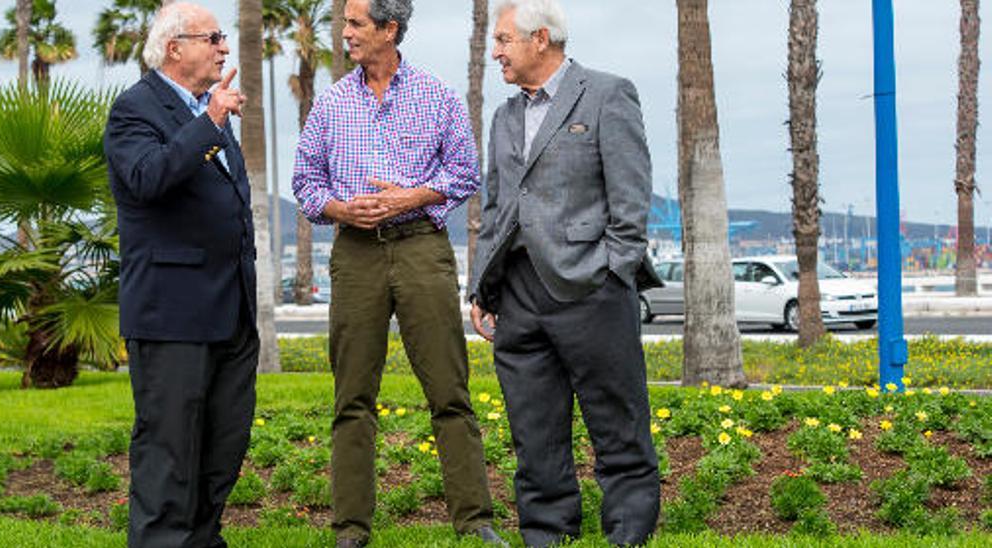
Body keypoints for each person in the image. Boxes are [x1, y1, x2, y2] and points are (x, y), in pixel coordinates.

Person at [291, 1, 506, 546]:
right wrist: (343, 210)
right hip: (355, 255)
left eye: (356, 24)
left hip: (421, 250)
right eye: (344, 24)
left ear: (390, 29)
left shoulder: (437, 95)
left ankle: (475, 522)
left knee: (449, 391)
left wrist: (410, 196)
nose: (345, 34)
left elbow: (463, 173)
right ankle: (350, 530)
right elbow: (305, 182)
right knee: (352, 396)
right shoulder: (332, 103)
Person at [468, 0, 661, 545]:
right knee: (534, 434)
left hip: (592, 289)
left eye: (504, 39)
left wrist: (612, 270)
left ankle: (627, 534)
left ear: (541, 39)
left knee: (618, 428)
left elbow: (631, 199)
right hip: (520, 295)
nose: (496, 51)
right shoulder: (504, 116)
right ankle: (547, 534)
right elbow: (498, 207)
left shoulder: (607, 94)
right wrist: (483, 285)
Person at [103, 3, 256, 547]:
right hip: (172, 315)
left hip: (229, 314)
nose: (223, 47)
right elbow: (148, 178)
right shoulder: (134, 110)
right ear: (174, 47)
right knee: (169, 451)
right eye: (213, 37)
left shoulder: (206, 109)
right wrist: (210, 123)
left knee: (224, 443)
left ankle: (202, 539)